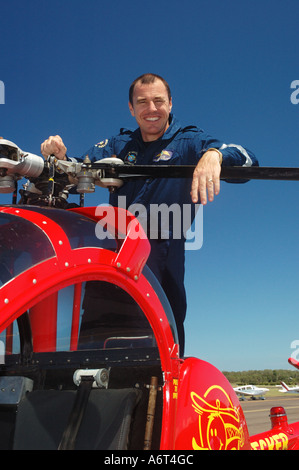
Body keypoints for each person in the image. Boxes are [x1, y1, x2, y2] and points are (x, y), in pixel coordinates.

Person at [41, 73, 258, 355]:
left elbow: (247, 157)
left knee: (164, 323)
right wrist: (58, 157)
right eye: (142, 102)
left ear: (170, 103)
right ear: (131, 109)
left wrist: (215, 155)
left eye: (158, 101)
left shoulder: (190, 141)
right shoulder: (117, 145)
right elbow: (76, 170)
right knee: (97, 323)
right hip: (113, 248)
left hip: (164, 248)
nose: (151, 109)